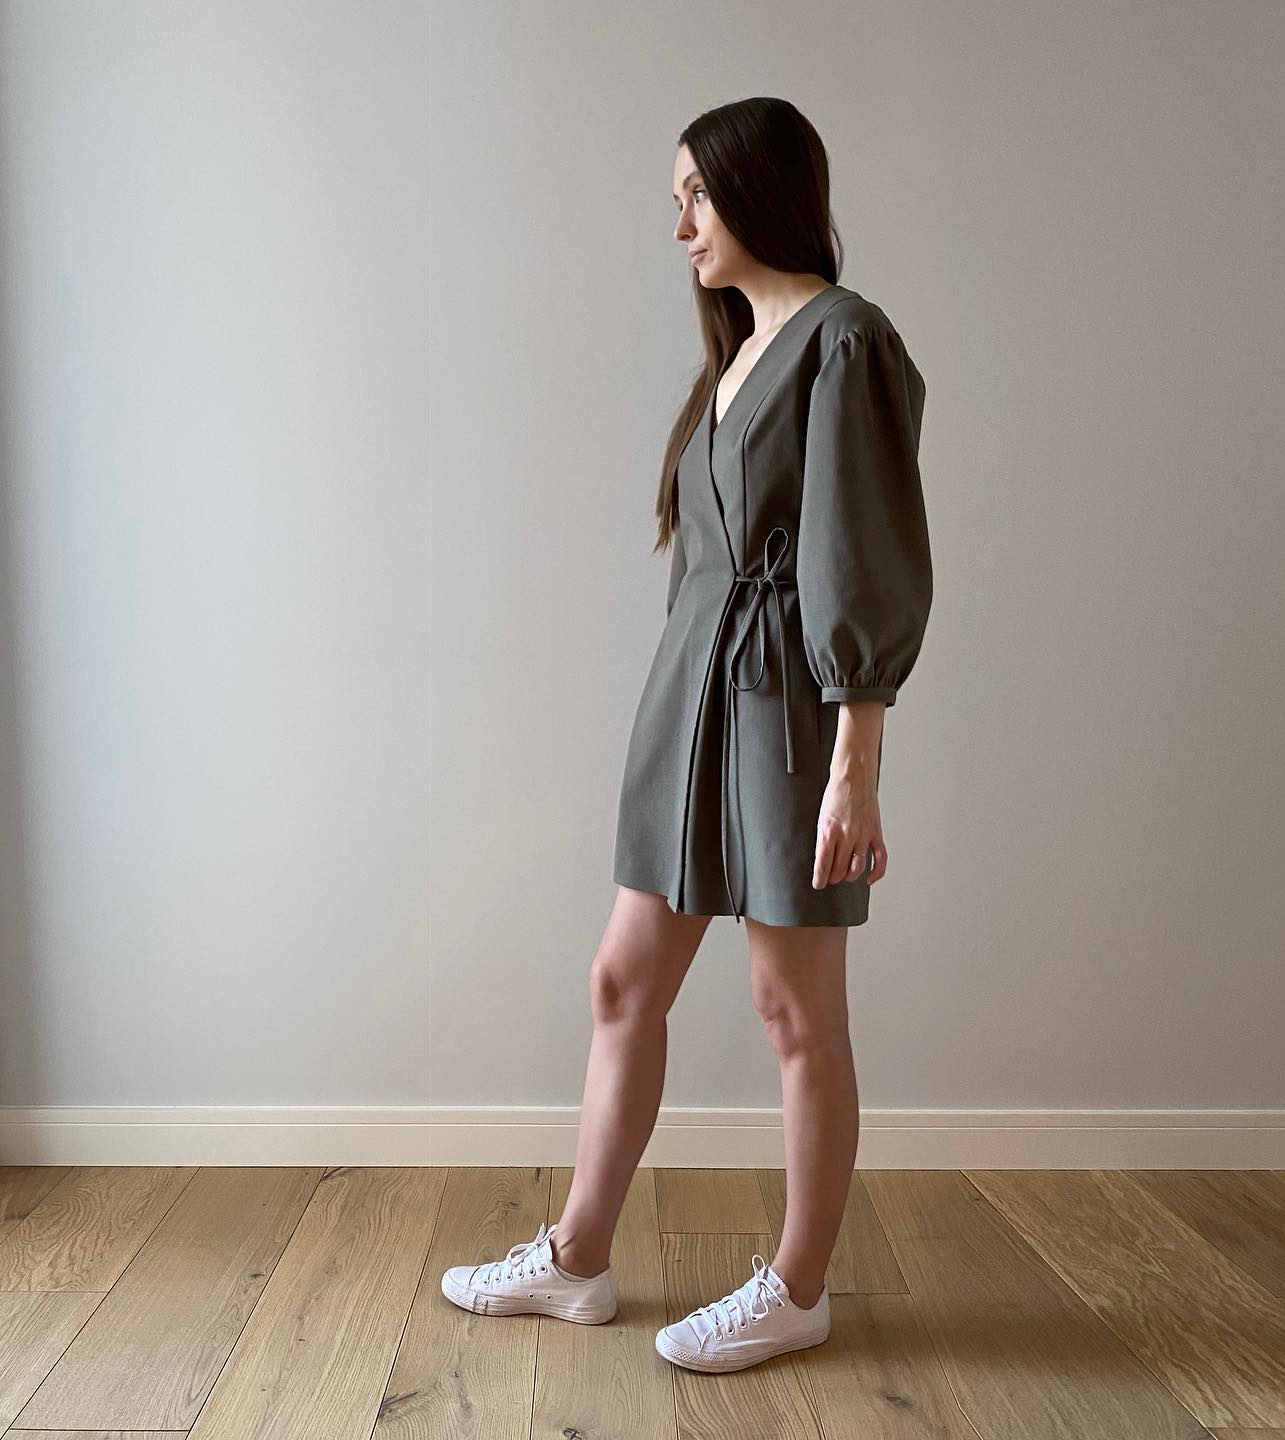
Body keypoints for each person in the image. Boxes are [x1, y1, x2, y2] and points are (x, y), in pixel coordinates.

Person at [441, 96, 933, 1375]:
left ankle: (798, 1289)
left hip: (787, 710)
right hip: (692, 701)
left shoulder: (845, 341)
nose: (680, 229)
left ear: (759, 190)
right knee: (622, 981)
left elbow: (864, 558)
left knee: (792, 1008)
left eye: (696, 198)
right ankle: (577, 1259)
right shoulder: (734, 357)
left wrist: (856, 765)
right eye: (677, 202)